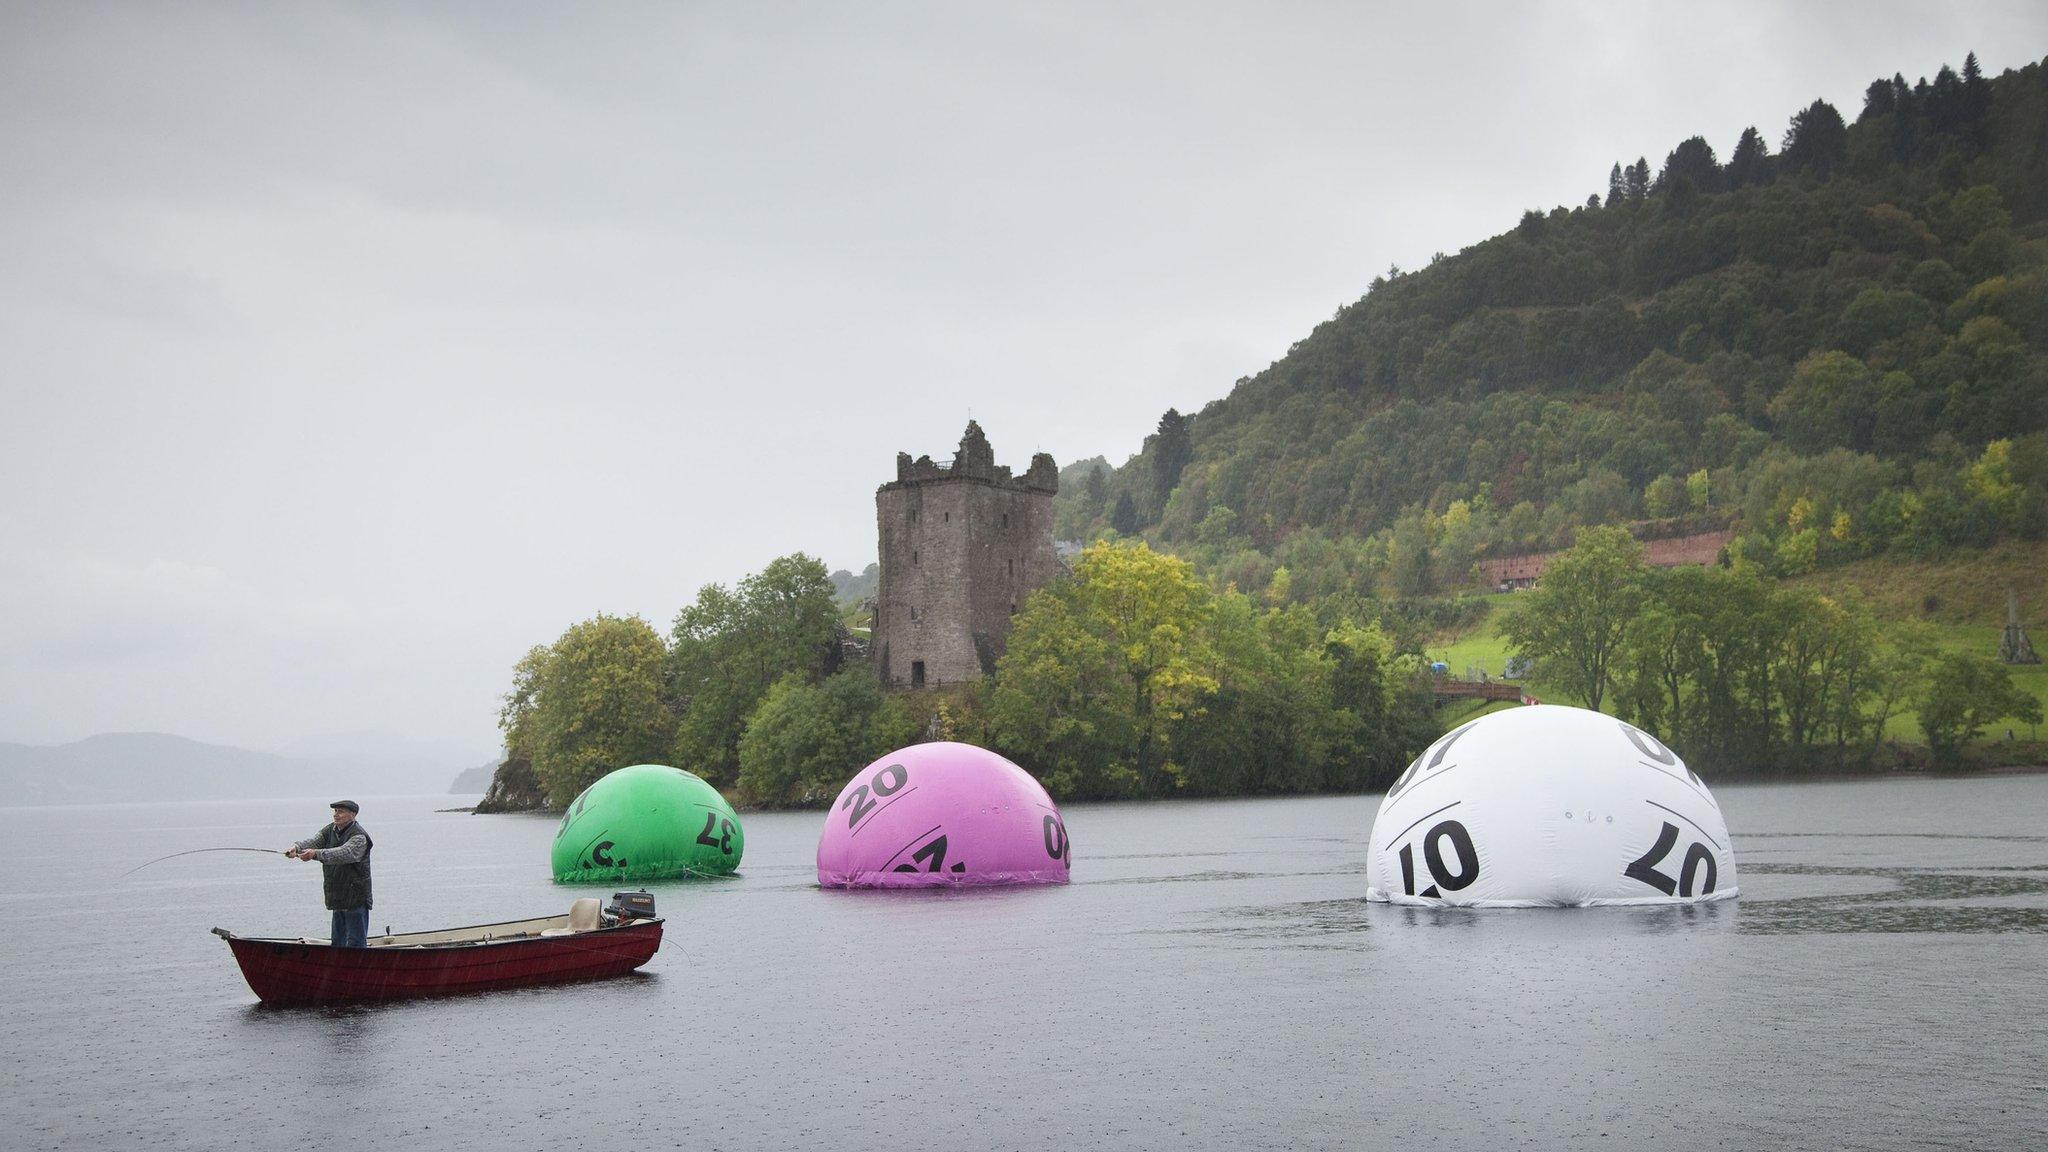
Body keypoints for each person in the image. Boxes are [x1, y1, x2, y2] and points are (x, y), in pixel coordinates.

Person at [287, 801, 374, 948]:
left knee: (356, 944)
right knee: (338, 943)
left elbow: (343, 853)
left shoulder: (359, 837)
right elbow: (314, 841)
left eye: (340, 811)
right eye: (335, 811)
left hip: (356, 898)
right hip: (338, 896)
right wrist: (297, 847)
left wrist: (315, 854)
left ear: (352, 815)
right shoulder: (330, 830)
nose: (336, 814)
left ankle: (355, 969)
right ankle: (340, 968)